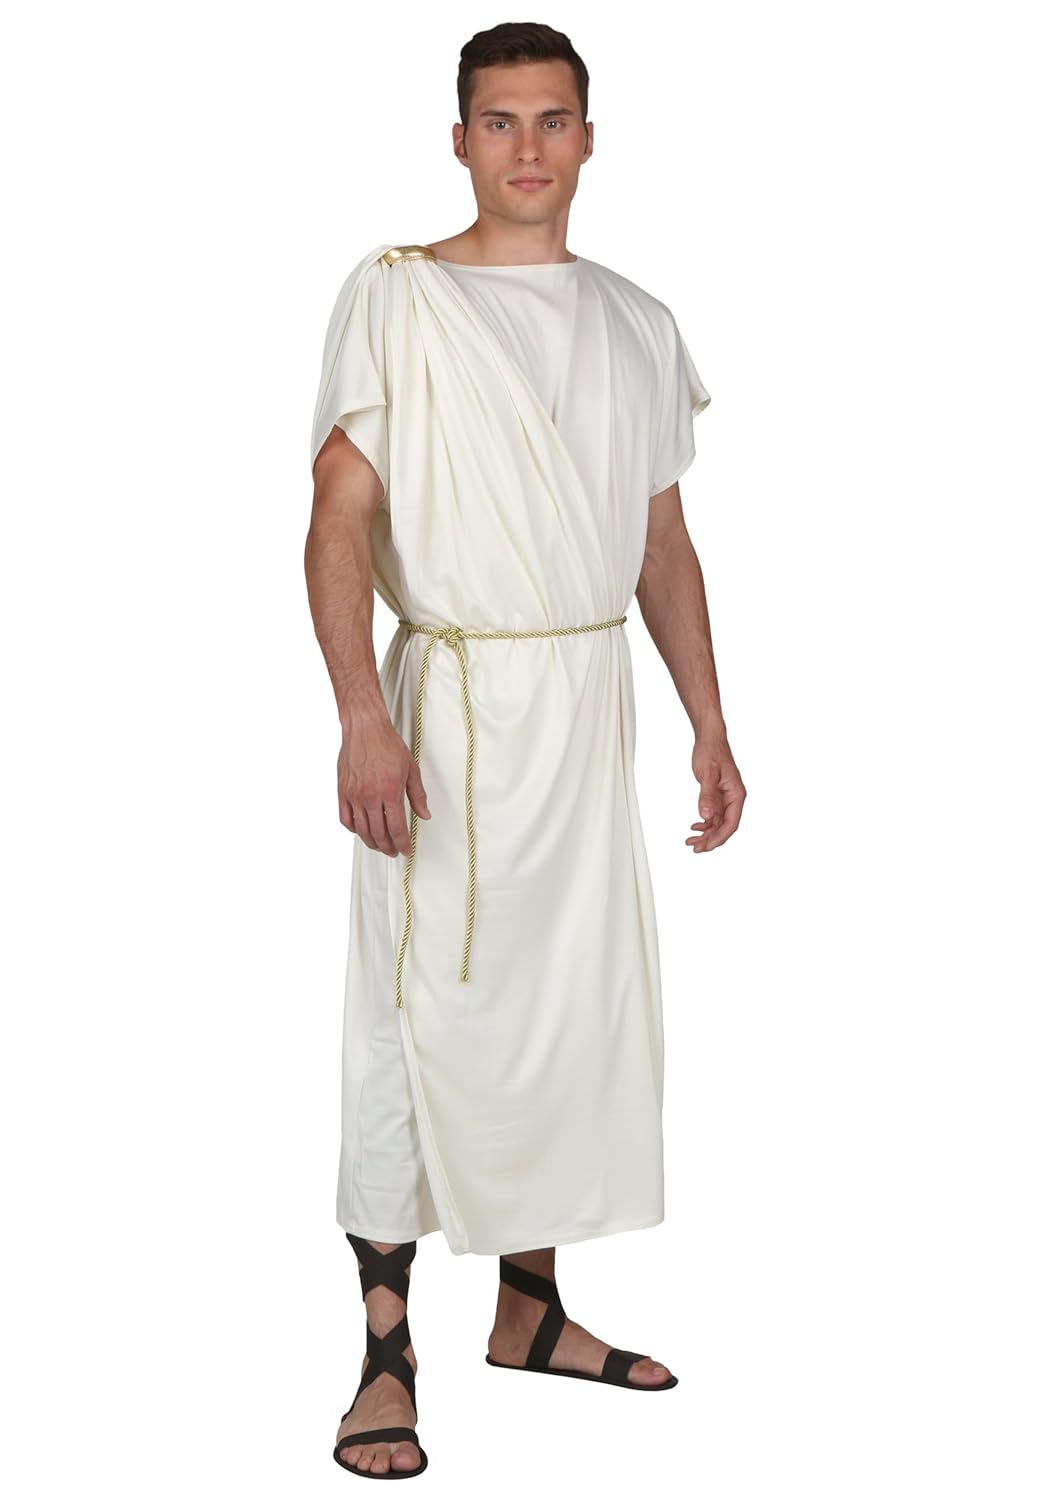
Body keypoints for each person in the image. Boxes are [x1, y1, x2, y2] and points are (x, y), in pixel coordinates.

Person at [305, 20, 745, 1481]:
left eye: (553, 120)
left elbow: (660, 545)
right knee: (412, 1010)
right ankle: (385, 1355)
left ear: (590, 137)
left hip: (584, 703)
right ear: (459, 140)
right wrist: (360, 713)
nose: (528, 147)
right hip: (449, 708)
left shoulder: (636, 320)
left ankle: (531, 1313)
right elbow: (336, 519)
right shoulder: (399, 300)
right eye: (499, 121)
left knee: (567, 1011)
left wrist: (710, 720)